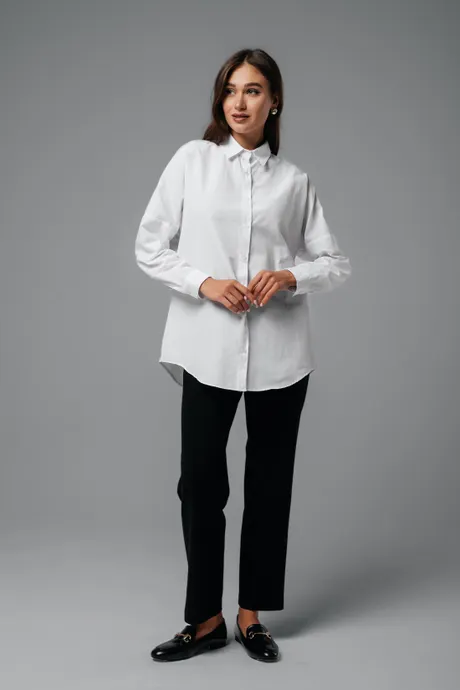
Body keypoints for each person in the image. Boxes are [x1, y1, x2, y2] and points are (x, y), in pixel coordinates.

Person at [134, 47, 352, 663]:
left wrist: (289, 276)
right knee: (200, 484)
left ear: (273, 101)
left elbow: (335, 263)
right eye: (231, 89)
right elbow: (149, 245)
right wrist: (204, 282)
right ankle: (205, 619)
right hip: (207, 349)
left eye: (253, 90)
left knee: (269, 487)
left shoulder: (294, 182)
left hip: (282, 355)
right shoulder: (192, 161)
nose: (239, 102)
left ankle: (251, 615)